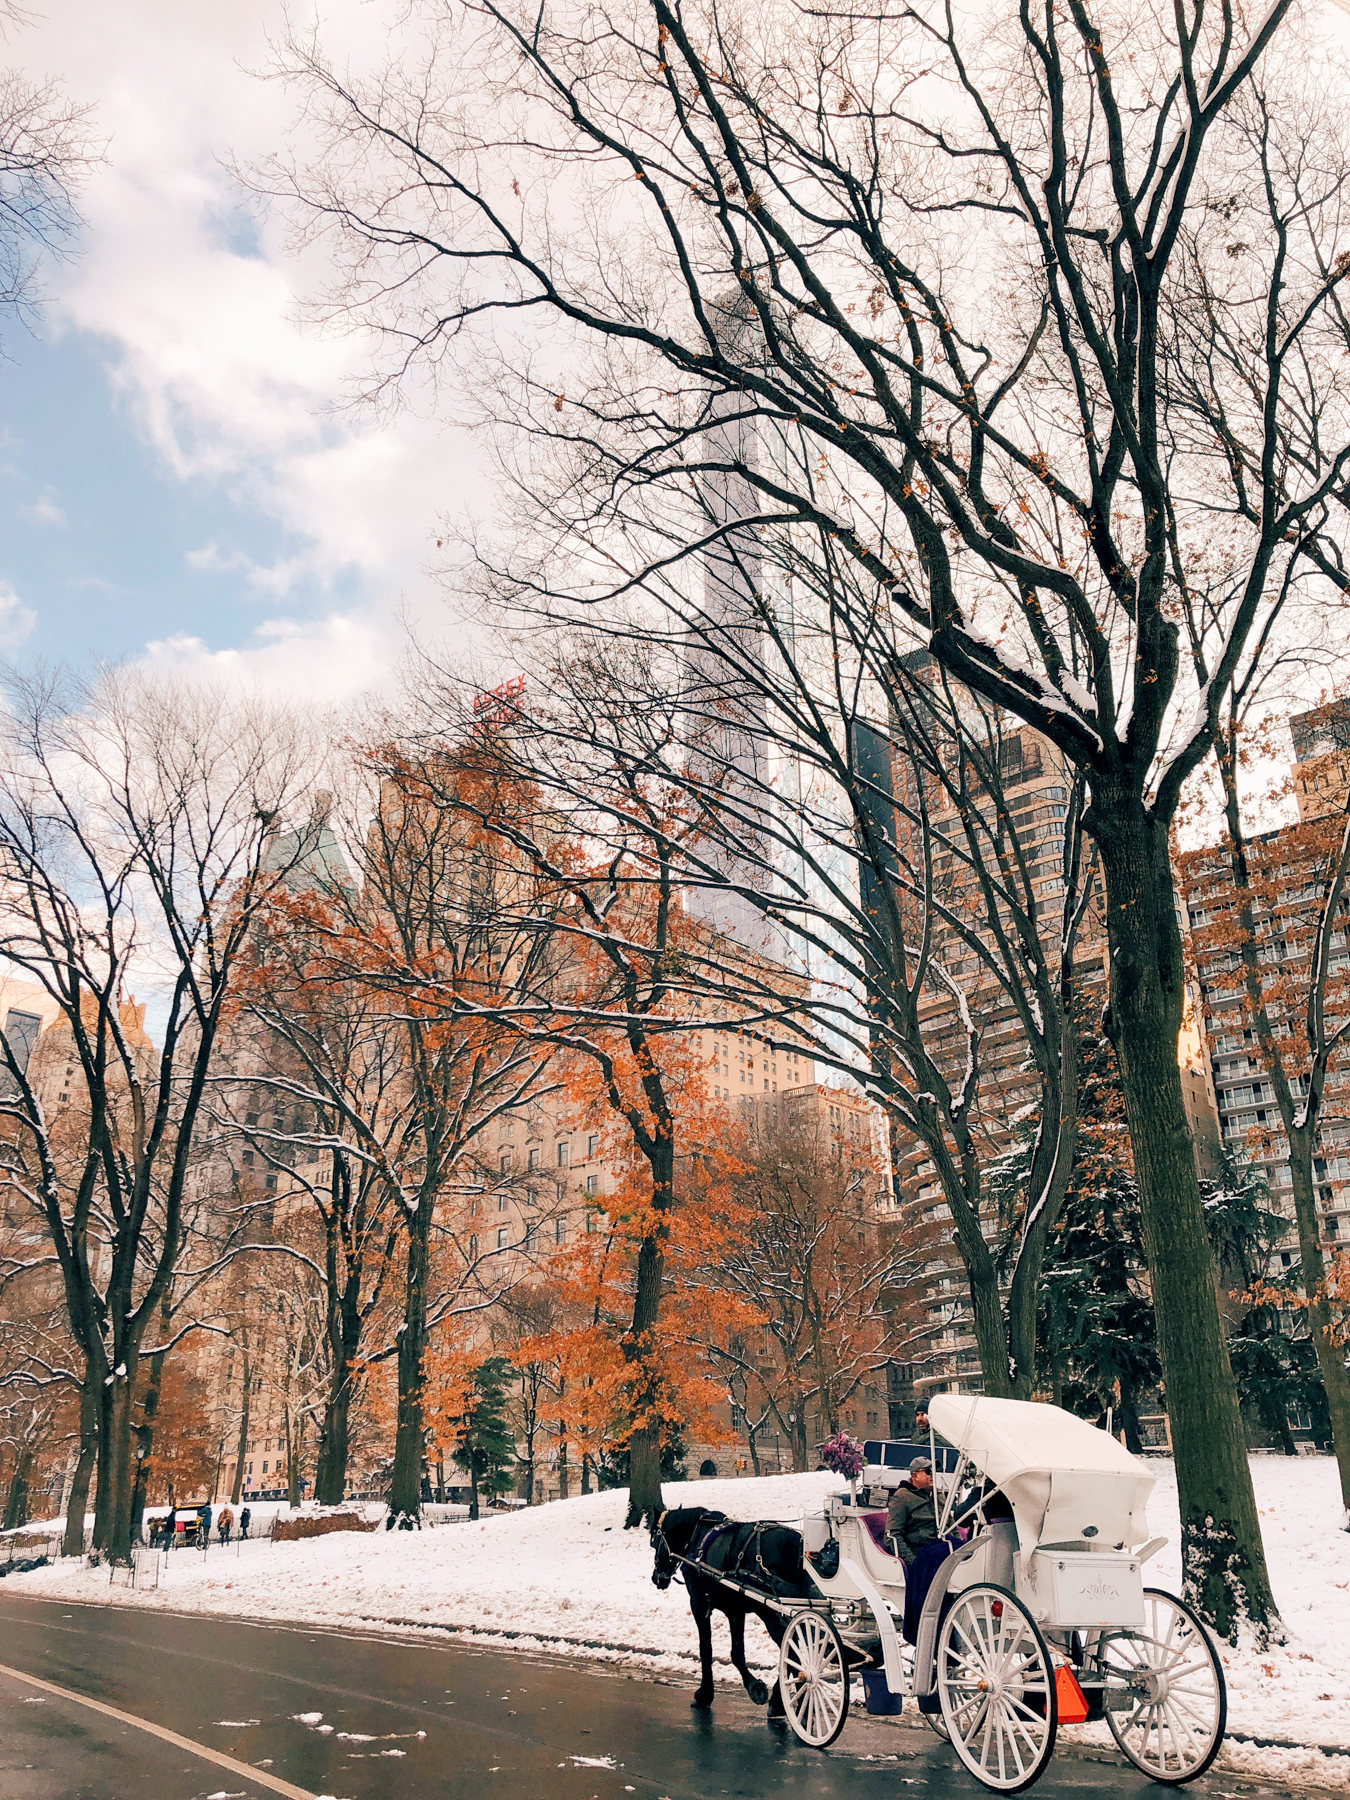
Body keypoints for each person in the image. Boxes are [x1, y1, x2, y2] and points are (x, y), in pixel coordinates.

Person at [886, 1456, 939, 1567]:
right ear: (915, 1475)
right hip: (919, 1552)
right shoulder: (902, 1497)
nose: (932, 1476)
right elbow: (893, 1535)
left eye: (934, 1471)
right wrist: (914, 1563)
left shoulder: (938, 1495)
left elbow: (950, 1525)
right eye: (928, 1472)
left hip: (939, 1547)